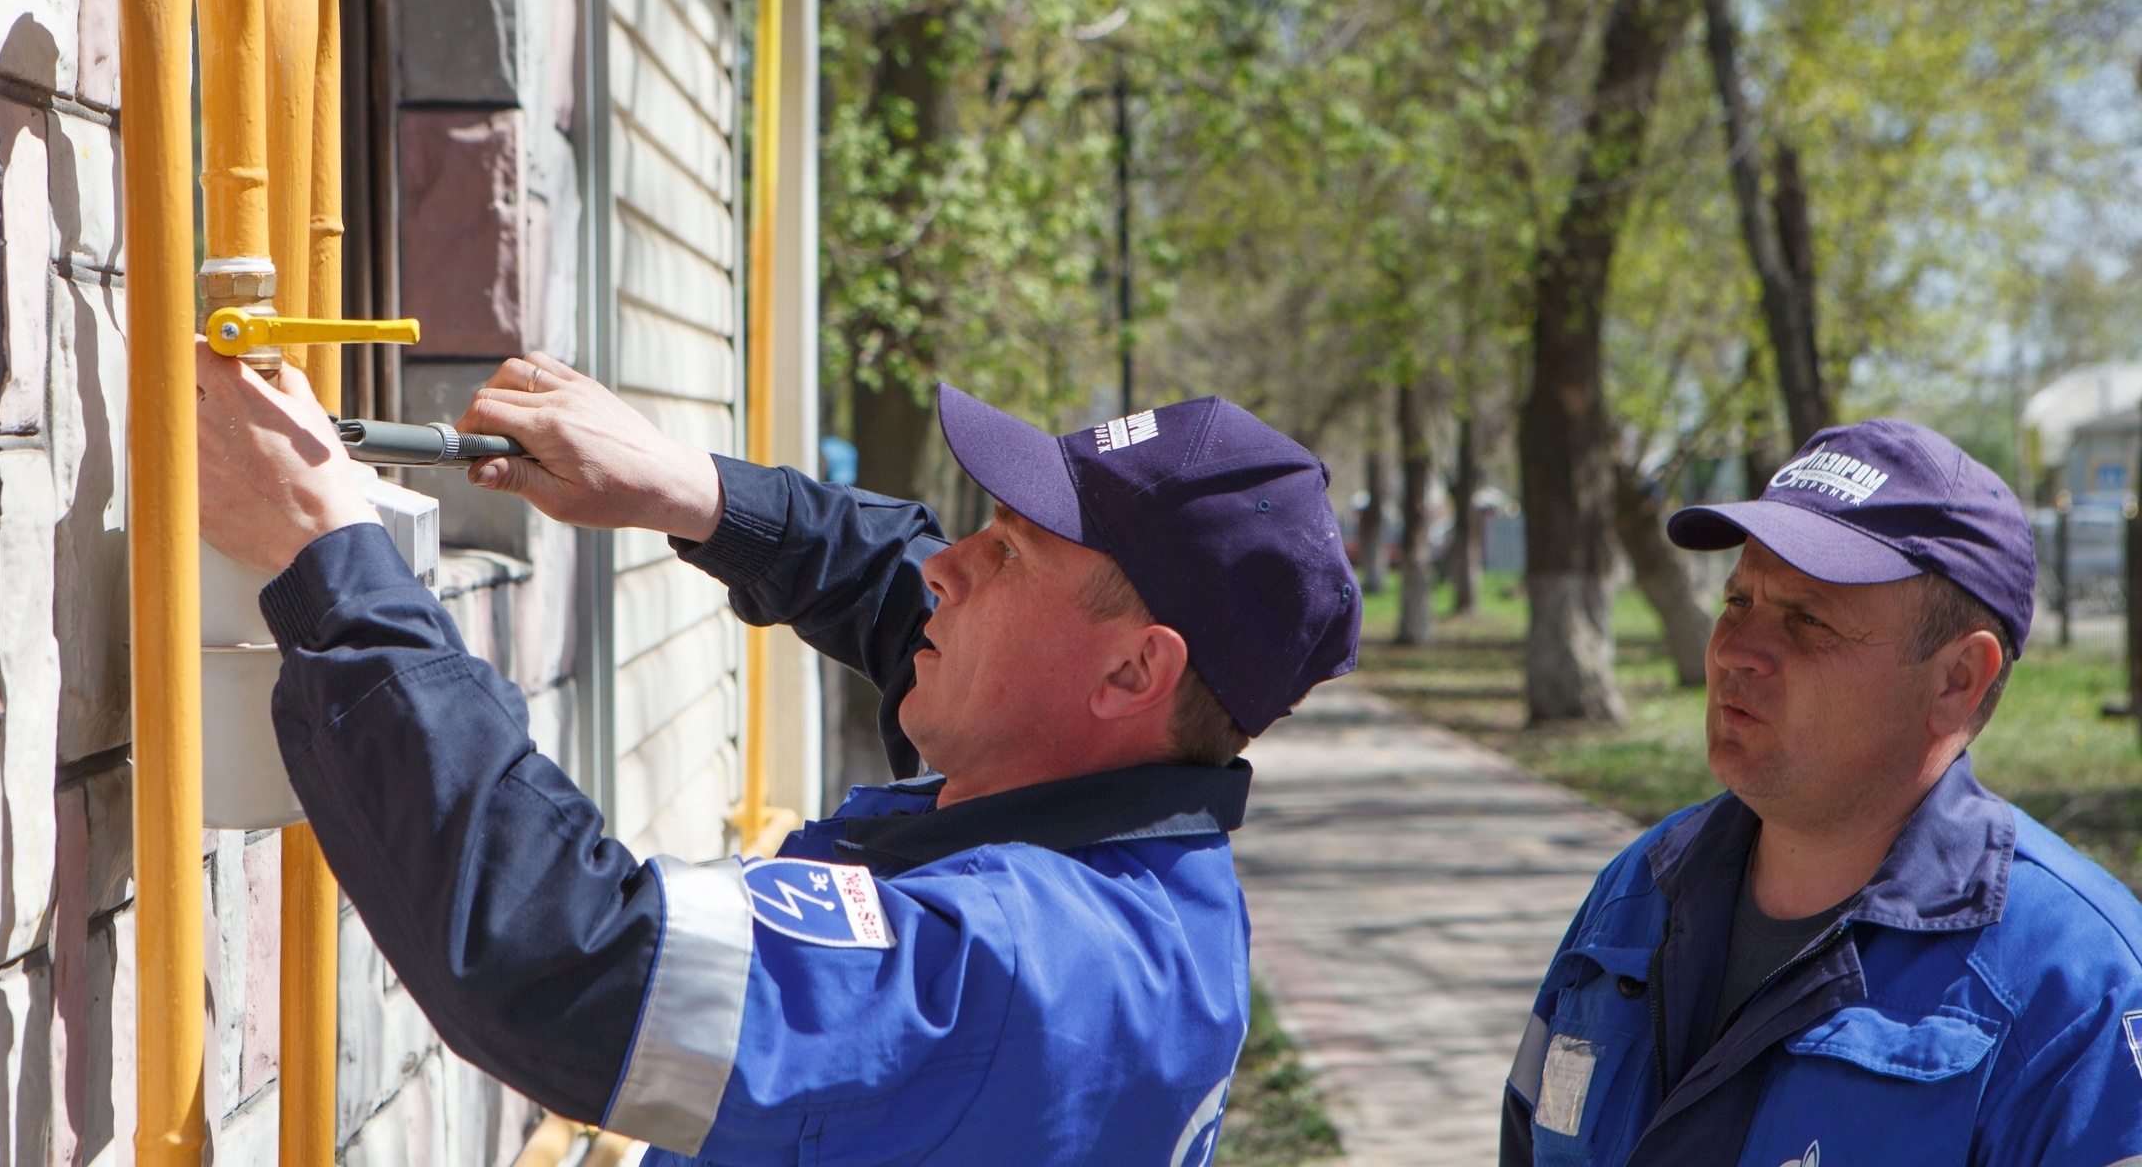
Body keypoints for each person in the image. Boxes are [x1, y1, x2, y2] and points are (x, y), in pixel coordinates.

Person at [194, 346, 1363, 1165]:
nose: (945, 569)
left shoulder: (1014, 965)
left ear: (1131, 675)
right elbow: (904, 593)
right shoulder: (1145, 858)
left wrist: (331, 556)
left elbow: (574, 967)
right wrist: (693, 494)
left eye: (1006, 552)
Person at [1502, 419, 2142, 1167]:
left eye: (1807, 620)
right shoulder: (1636, 891)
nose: (1735, 652)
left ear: (1956, 680)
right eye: (1737, 602)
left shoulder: (2078, 988)